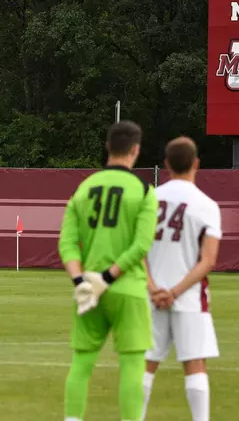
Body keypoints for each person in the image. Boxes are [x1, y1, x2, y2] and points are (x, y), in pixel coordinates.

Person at [58, 121, 159, 421]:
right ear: (135, 150)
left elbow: (66, 243)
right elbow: (141, 245)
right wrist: (108, 277)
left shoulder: (82, 188)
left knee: (81, 363)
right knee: (132, 365)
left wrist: (81, 280)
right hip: (127, 288)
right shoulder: (144, 190)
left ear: (107, 147)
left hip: (88, 289)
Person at [142, 137, 221, 421]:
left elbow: (137, 252)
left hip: (150, 296)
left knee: (145, 365)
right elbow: (208, 260)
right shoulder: (207, 205)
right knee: (195, 365)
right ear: (196, 163)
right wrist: (174, 292)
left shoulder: (148, 200)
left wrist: (154, 288)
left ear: (166, 164)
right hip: (189, 296)